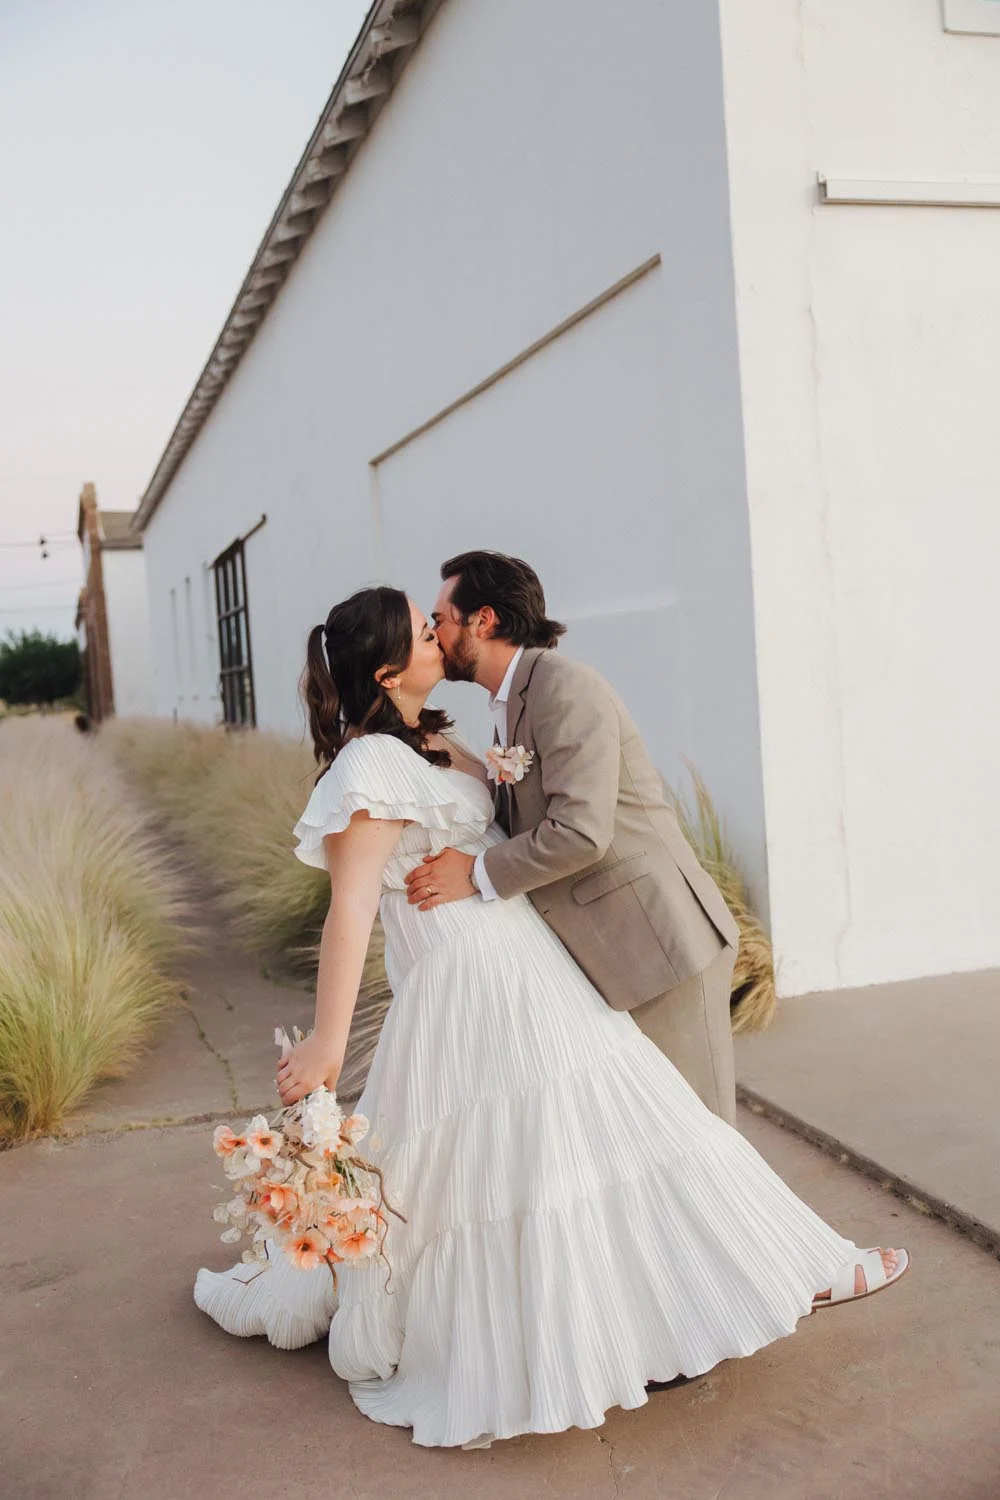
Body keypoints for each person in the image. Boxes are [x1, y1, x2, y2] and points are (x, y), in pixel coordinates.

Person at [194, 584, 908, 1451]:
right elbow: (349, 912)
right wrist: (328, 1044)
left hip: (530, 964)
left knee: (628, 1122)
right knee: (516, 1161)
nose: (438, 634)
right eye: (422, 630)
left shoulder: (440, 743)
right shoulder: (367, 767)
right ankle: (570, 1336)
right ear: (385, 671)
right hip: (465, 984)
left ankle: (761, 1275)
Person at [408, 551, 739, 1123]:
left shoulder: (563, 686)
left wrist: (476, 873)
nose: (435, 633)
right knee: (654, 1138)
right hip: (614, 952)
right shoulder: (513, 699)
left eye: (440, 619)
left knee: (704, 1136)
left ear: (483, 620)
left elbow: (581, 832)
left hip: (659, 944)